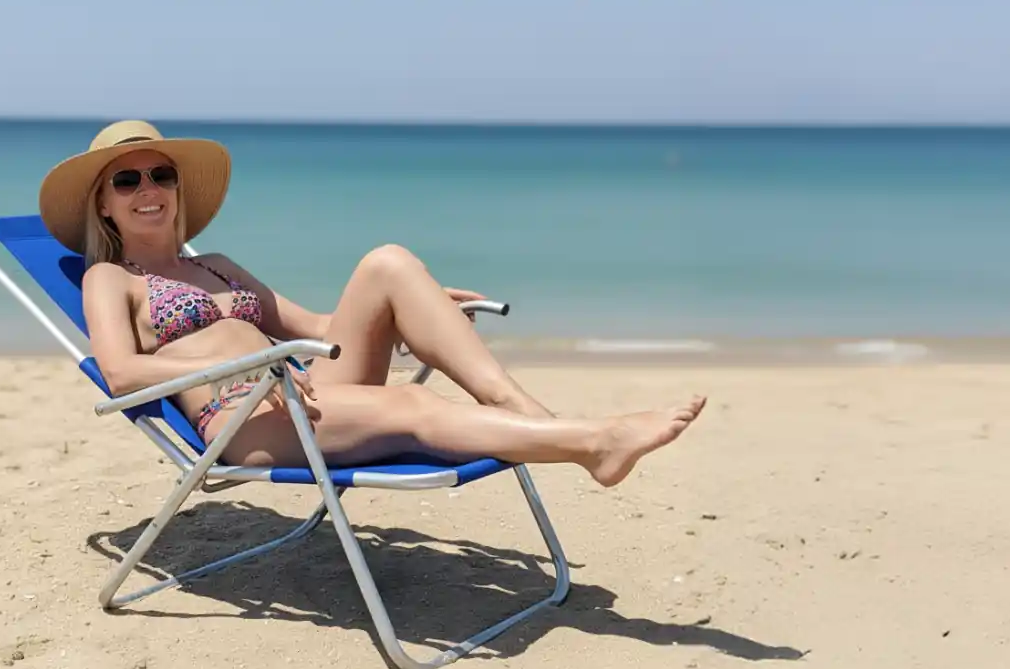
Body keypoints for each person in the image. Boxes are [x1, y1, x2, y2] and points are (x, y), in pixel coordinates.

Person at [39, 120, 705, 487]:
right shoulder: (111, 280)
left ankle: (518, 411)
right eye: (127, 180)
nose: (147, 188)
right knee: (412, 404)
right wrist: (250, 369)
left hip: (303, 390)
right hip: (241, 418)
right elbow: (121, 374)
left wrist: (421, 308)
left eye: (161, 175)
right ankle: (593, 443)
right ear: (104, 202)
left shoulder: (215, 264)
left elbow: (323, 330)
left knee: (388, 262)